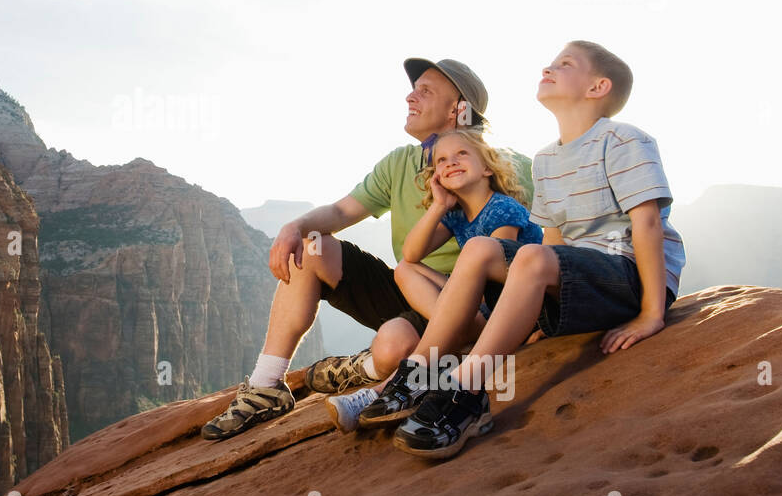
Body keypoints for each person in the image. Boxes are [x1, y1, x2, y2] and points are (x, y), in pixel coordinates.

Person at [201, 57, 535, 441]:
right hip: (412, 288)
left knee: (394, 344)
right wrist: (295, 226)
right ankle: (266, 386)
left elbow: (546, 239)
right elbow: (343, 211)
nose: (411, 96)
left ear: (459, 110)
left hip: (469, 298)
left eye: (426, 91)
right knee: (310, 248)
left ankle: (373, 367)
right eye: (414, 88)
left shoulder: (509, 166)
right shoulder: (399, 163)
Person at [385, 40, 685, 459]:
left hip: (627, 274)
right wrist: (540, 306)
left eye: (565, 64)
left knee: (527, 255)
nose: (550, 66)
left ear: (597, 87)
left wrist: (652, 313)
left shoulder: (623, 139)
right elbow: (555, 242)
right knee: (480, 249)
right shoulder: (546, 160)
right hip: (581, 283)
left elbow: (648, 223)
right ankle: (419, 370)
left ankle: (467, 394)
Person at [324, 128, 543, 432]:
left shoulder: (502, 209)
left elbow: (503, 278)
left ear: (487, 168)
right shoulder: (457, 216)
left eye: (462, 154)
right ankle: (437, 352)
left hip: (508, 311)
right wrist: (439, 205)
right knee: (404, 270)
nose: (450, 162)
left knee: (459, 284)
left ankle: (387, 389)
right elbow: (411, 254)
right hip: (477, 311)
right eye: (441, 160)